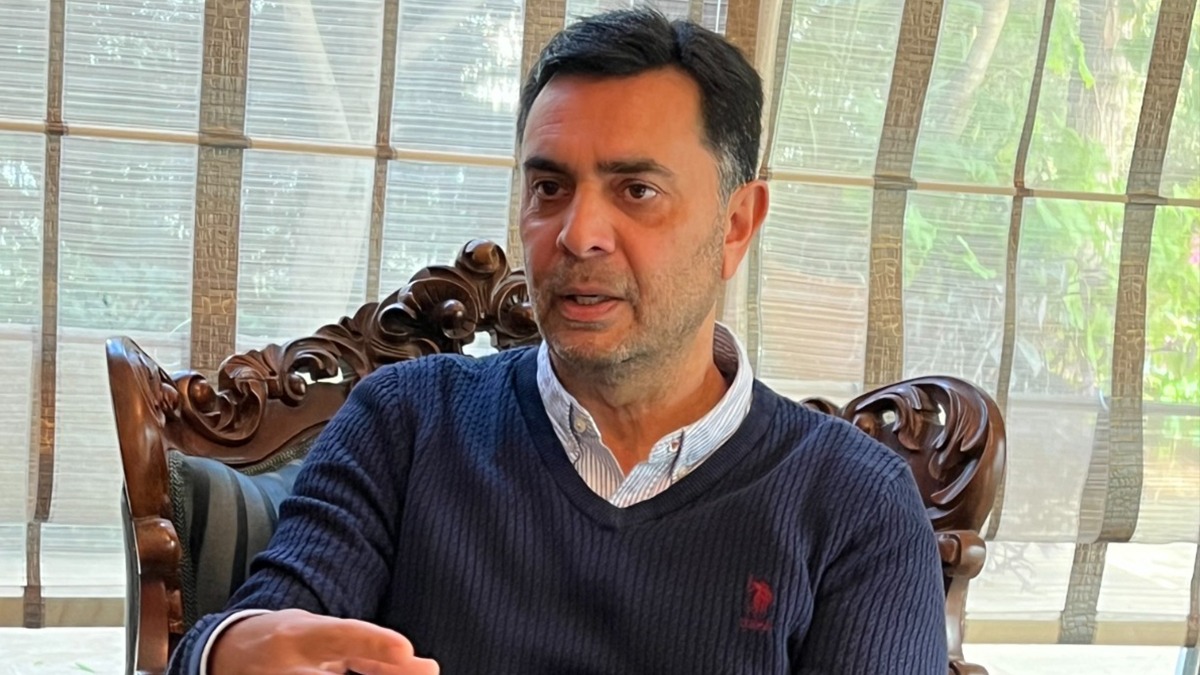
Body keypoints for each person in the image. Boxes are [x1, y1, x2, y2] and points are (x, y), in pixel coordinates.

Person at [168, 8, 946, 675]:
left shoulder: (856, 503)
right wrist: (232, 646)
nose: (578, 234)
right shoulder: (406, 422)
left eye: (636, 190)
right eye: (549, 187)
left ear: (736, 224)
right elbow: (266, 627)